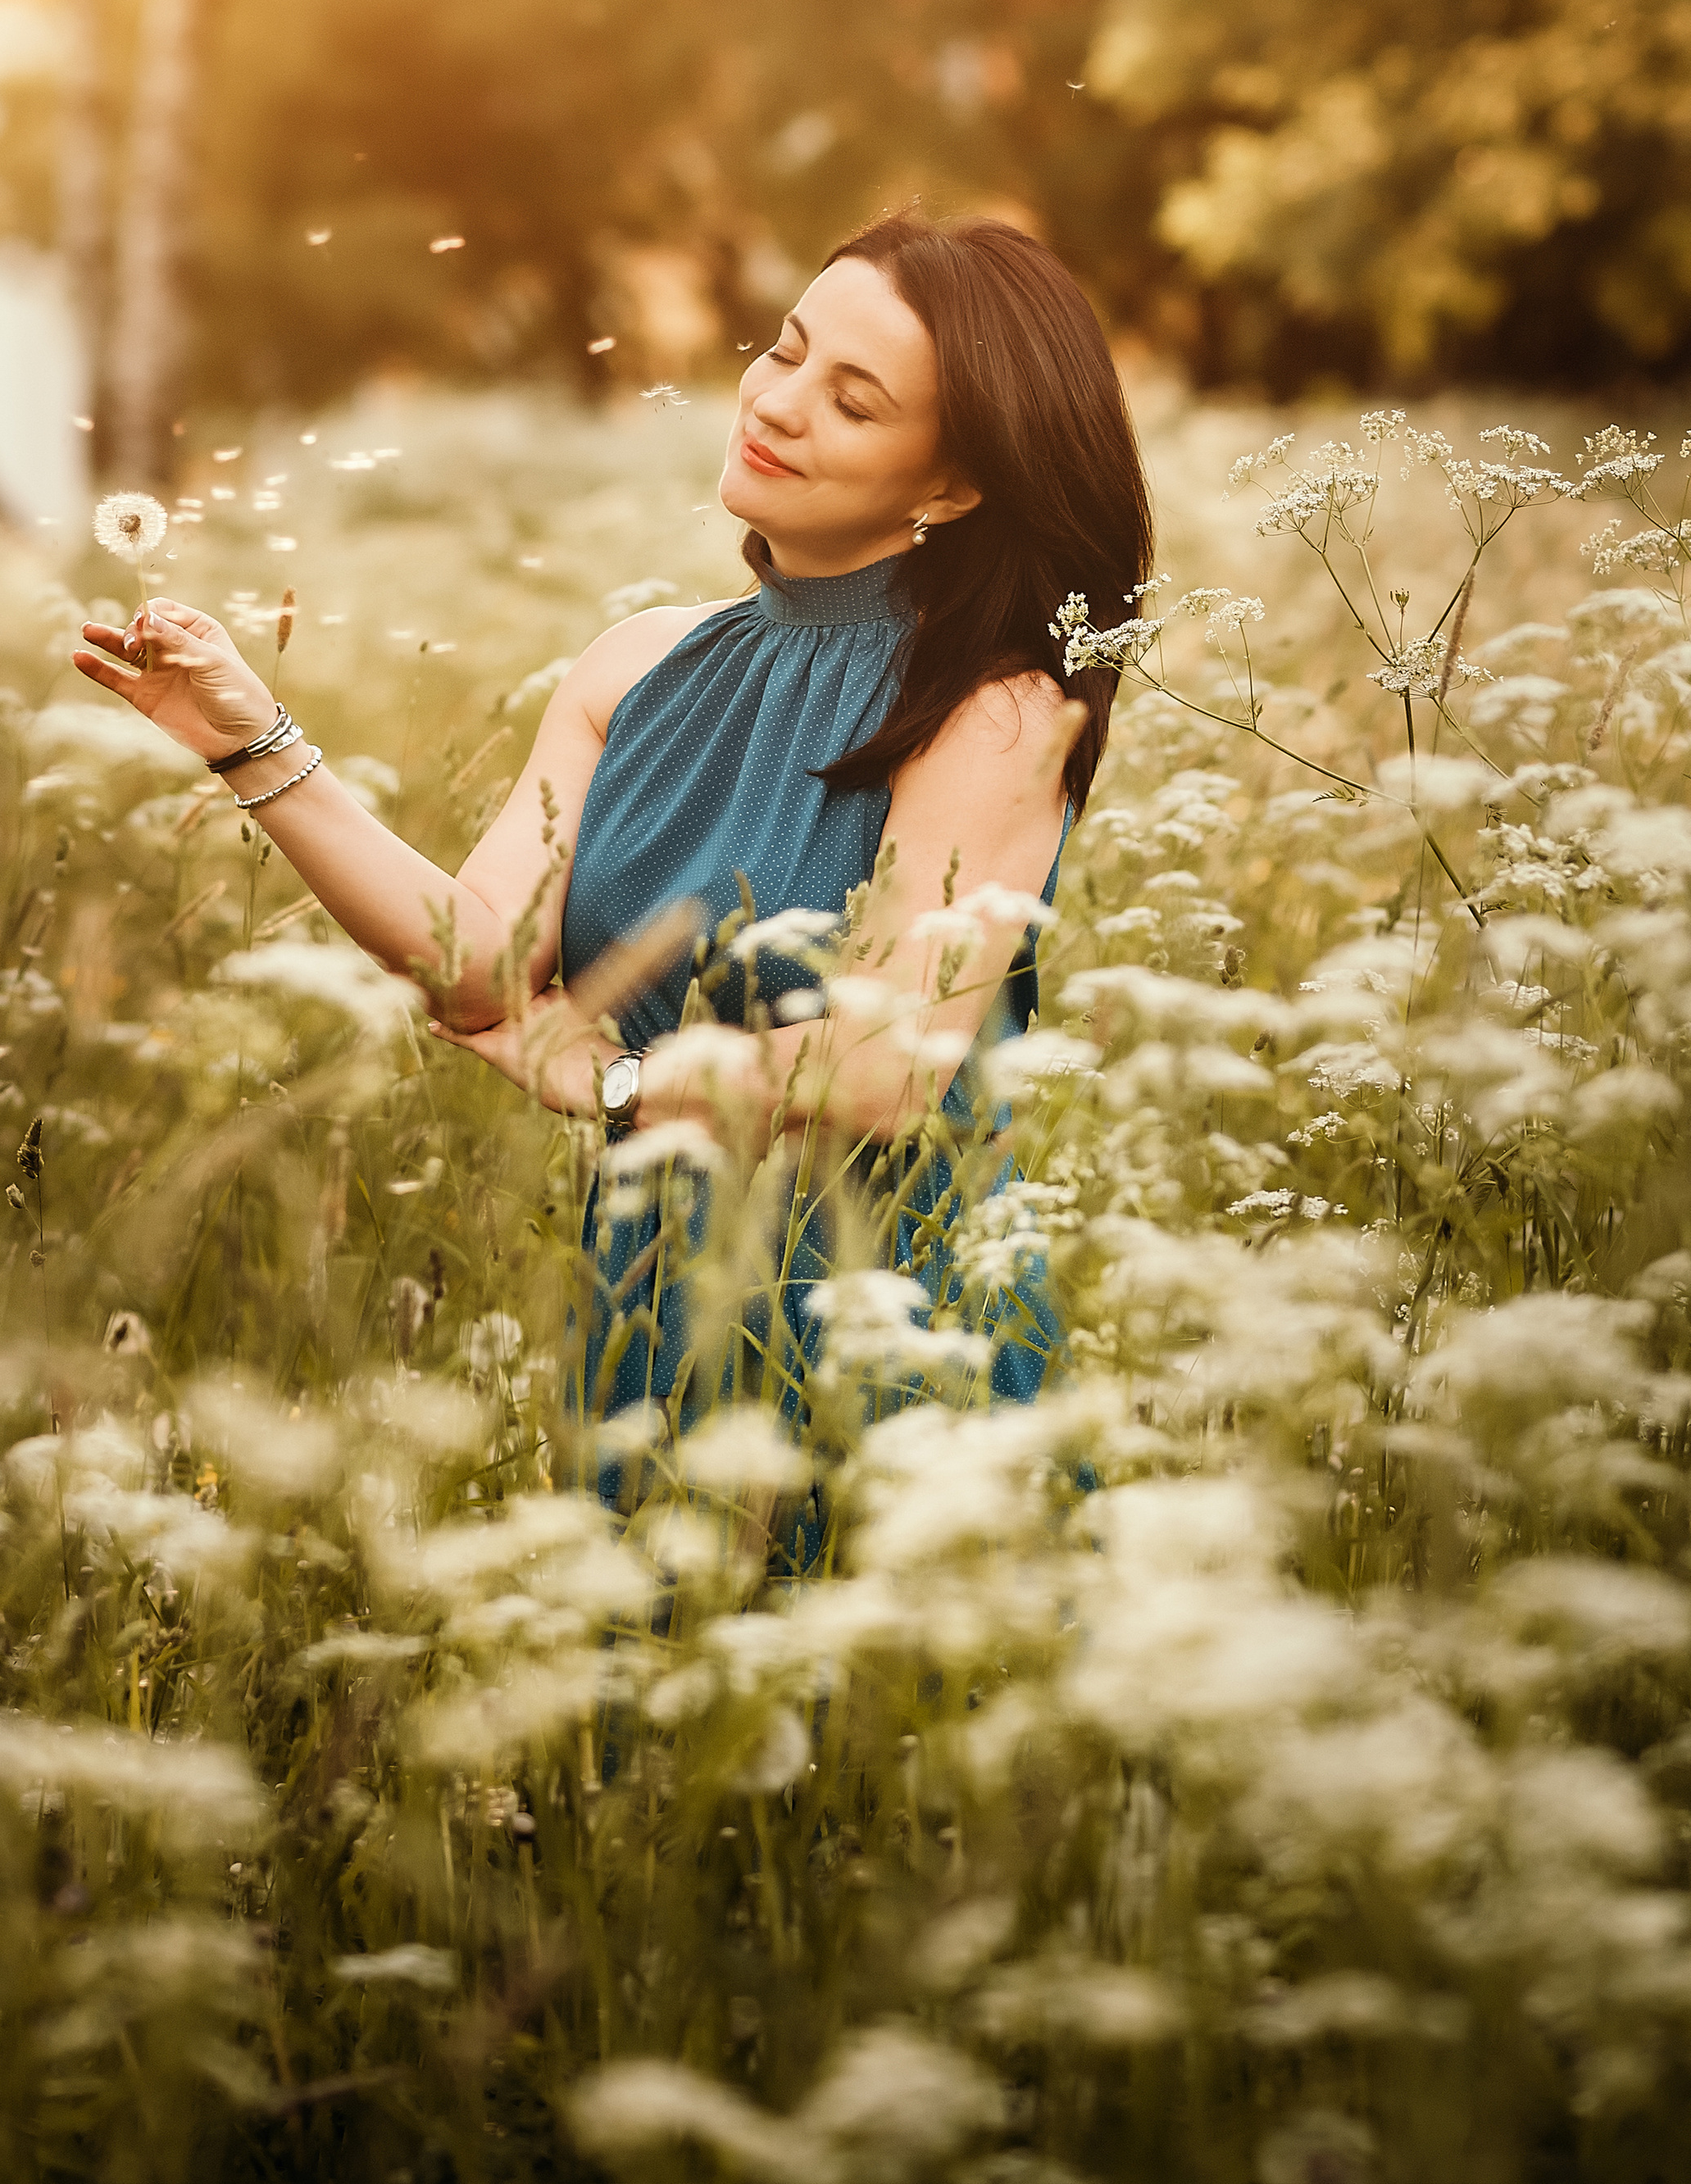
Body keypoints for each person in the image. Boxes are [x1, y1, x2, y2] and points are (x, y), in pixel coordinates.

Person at [73, 212, 1152, 1505]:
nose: (780, 403)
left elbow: (884, 1070)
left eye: (853, 401)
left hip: (892, 1351)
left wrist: (623, 1085)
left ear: (953, 483)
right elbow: (477, 971)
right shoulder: (635, 669)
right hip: (650, 1327)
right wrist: (253, 743)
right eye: (784, 350)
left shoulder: (995, 710)